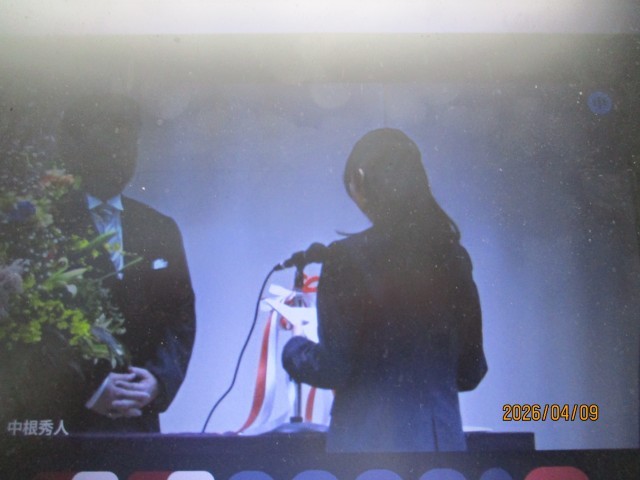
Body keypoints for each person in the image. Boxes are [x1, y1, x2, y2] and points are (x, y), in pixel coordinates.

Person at [282, 128, 487, 452]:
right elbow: (471, 372)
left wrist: (293, 351)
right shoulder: (453, 257)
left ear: (360, 178)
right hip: (442, 453)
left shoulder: (345, 257)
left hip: (367, 454)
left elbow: (335, 367)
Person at [53, 94, 196, 433]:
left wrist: (157, 381)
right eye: (110, 137)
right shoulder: (47, 223)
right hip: (65, 421)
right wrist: (89, 389)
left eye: (130, 140)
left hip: (138, 417)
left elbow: (180, 317)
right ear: (80, 147)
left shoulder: (160, 227)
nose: (123, 153)